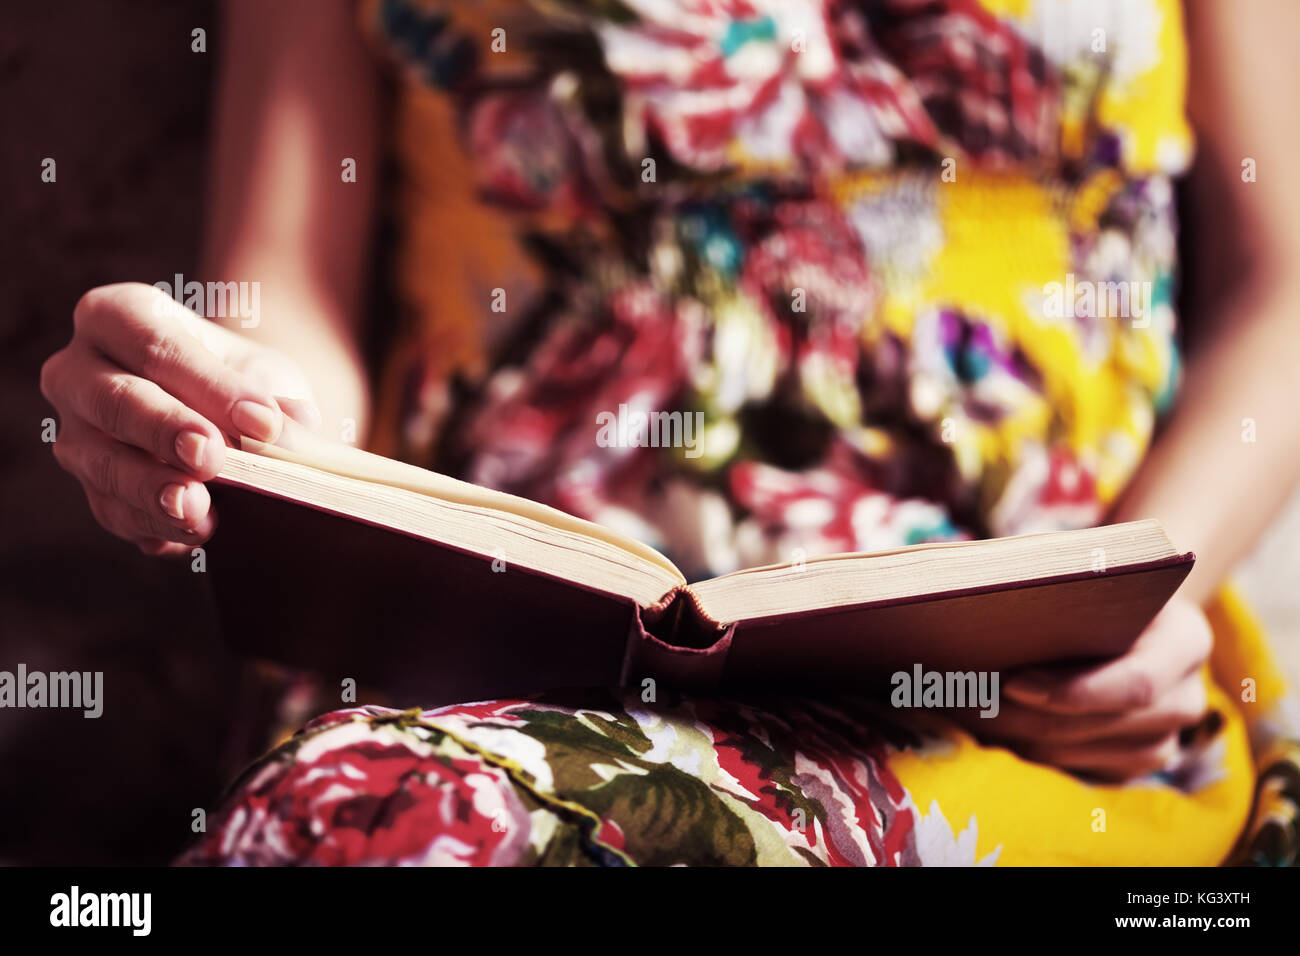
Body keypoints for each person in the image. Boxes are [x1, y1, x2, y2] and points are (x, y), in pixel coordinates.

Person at [38, 0, 1300, 865]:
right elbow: (287, 286)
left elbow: (1282, 290)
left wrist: (1145, 588)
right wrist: (229, 420)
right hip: (489, 665)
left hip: (1028, 694)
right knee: (406, 822)